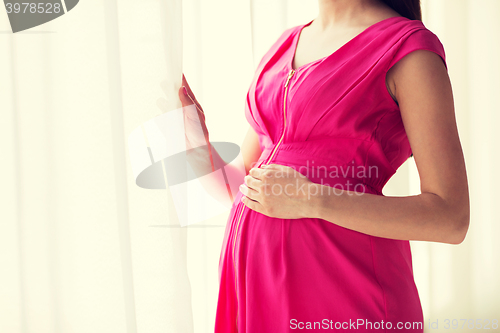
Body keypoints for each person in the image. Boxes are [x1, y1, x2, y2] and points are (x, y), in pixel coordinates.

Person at [174, 0, 469, 331]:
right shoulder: (284, 45)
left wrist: (312, 199)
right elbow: (241, 184)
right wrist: (196, 142)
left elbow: (451, 218)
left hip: (346, 295)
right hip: (258, 295)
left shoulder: (409, 49)